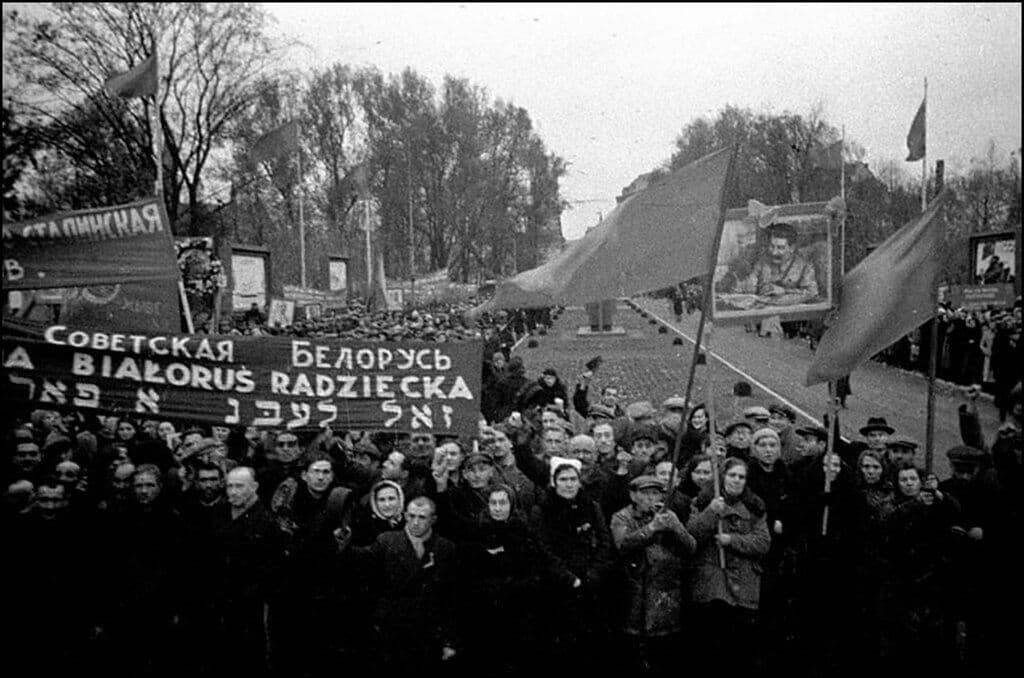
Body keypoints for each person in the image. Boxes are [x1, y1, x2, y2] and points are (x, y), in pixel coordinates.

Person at [337, 496, 459, 671]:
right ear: (405, 516)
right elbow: (361, 561)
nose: (415, 522)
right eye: (411, 516)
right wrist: (345, 546)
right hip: (392, 631)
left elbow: (450, 599)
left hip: (429, 633)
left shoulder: (445, 549)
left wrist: (449, 640)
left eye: (422, 517)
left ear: (433, 519)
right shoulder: (387, 541)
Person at [532, 460, 616, 673]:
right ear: (554, 482)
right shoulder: (543, 510)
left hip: (590, 582)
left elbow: (604, 540)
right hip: (559, 584)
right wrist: (568, 578)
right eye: (563, 479)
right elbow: (543, 549)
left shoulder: (591, 506)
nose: (568, 484)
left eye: (573, 479)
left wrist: (594, 572)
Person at [687, 457, 770, 672]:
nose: (736, 480)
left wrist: (731, 540)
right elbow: (691, 536)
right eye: (732, 475)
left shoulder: (755, 507)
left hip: (743, 583)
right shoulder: (703, 501)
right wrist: (711, 512)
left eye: (741, 477)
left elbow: (763, 542)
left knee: (739, 648)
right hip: (712, 580)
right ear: (722, 477)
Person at [611, 475, 696, 675]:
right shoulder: (622, 517)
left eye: (655, 493)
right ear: (633, 495)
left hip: (665, 594)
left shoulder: (669, 516)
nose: (651, 498)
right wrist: (651, 528)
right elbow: (622, 544)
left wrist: (676, 527)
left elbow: (691, 546)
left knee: (663, 648)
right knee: (635, 648)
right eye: (645, 493)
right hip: (636, 591)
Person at [740, 222, 819, 306]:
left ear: (792, 248)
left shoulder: (805, 267)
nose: (774, 252)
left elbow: (812, 293)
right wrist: (748, 286)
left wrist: (784, 291)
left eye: (780, 248)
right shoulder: (762, 262)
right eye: (771, 246)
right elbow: (751, 283)